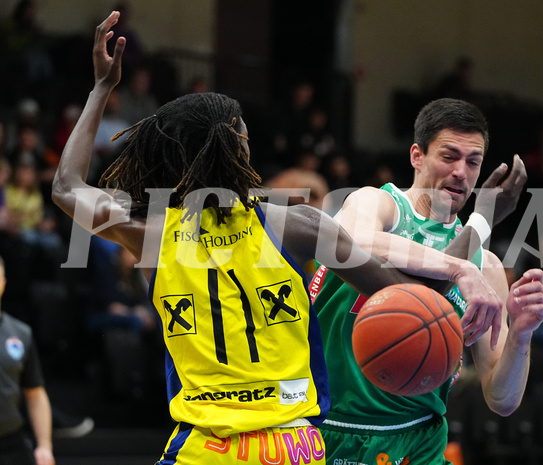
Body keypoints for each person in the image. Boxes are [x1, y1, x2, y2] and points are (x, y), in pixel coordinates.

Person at [51, 13, 503, 463]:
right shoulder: (296, 225)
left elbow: (66, 187)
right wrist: (480, 222)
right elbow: (424, 305)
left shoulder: (148, 233)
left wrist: (100, 89)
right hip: (291, 447)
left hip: (205, 447)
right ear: (241, 149)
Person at [310, 97, 543, 463]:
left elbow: (501, 400)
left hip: (417, 439)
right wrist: (459, 267)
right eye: (449, 156)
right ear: (416, 156)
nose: (461, 172)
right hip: (326, 426)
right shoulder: (378, 205)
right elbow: (353, 242)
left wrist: (521, 333)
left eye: (473, 162)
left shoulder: (485, 266)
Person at [0, 255, 55, 465]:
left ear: (3, 283)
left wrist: (44, 446)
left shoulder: (20, 333)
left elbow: (35, 393)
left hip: (11, 445)